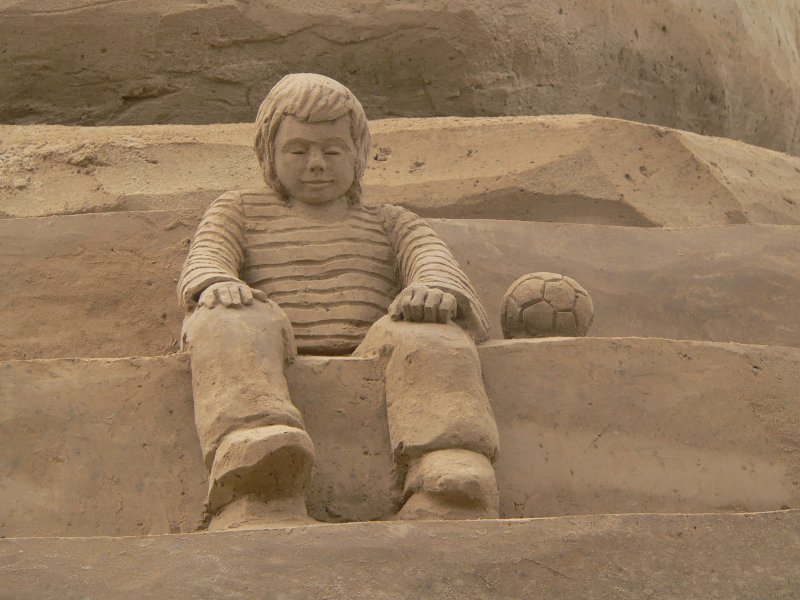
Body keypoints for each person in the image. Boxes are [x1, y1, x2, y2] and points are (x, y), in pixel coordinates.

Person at [179, 73, 500, 530]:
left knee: (432, 334)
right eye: (298, 150)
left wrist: (432, 289)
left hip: (374, 343)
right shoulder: (240, 209)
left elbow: (433, 261)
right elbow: (208, 256)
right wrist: (215, 283)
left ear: (358, 156)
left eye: (332, 151)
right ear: (268, 155)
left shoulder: (390, 221)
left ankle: (447, 462)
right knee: (223, 319)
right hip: (274, 341)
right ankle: (253, 443)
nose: (316, 164)